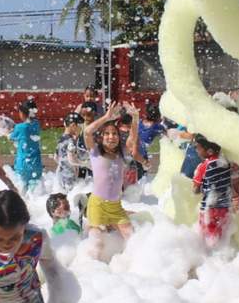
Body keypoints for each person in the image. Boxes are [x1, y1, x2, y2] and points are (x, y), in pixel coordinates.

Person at [84, 102, 139, 253]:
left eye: (114, 134)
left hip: (115, 206)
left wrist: (135, 119)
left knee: (132, 238)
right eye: (107, 134)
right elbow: (88, 132)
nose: (111, 137)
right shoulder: (95, 152)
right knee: (97, 244)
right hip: (98, 205)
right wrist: (106, 117)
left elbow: (132, 139)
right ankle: (93, 270)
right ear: (101, 138)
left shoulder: (121, 153)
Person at [191, 135, 239, 249]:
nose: (197, 151)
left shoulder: (203, 166)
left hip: (209, 209)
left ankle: (211, 262)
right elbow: (237, 183)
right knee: (223, 237)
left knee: (208, 240)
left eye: (199, 148)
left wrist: (202, 187)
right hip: (225, 208)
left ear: (209, 151)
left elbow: (195, 190)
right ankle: (223, 261)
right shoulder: (229, 164)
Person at [9, 99, 44, 192]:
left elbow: (11, 137)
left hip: (23, 164)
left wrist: (8, 133)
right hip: (36, 163)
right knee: (35, 191)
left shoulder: (20, 127)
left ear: (22, 113)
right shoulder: (37, 124)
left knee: (22, 189)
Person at [135, 103, 167, 180]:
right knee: (142, 177)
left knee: (136, 176)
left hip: (134, 150)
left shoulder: (139, 122)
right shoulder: (157, 127)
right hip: (141, 154)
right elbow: (168, 135)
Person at [55, 112, 85, 191]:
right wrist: (84, 163)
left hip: (61, 174)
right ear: (73, 125)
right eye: (80, 126)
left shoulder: (61, 138)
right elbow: (74, 160)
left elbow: (56, 157)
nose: (81, 129)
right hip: (69, 176)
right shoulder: (71, 141)